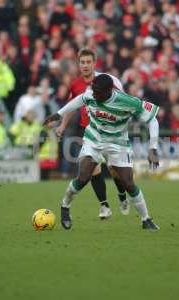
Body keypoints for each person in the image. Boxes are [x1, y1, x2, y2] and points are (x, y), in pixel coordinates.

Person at [44, 74, 160, 230]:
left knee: (129, 184)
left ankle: (146, 220)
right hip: (94, 140)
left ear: (108, 91)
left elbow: (153, 120)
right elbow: (78, 100)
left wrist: (153, 147)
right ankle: (65, 207)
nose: (94, 94)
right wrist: (58, 114)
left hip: (118, 144)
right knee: (83, 177)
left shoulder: (128, 102)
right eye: (93, 90)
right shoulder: (92, 93)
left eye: (97, 92)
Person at [56, 48, 129, 219]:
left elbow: (122, 100)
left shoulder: (105, 81)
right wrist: (62, 126)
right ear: (78, 64)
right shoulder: (75, 84)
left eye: (88, 62)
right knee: (92, 170)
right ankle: (104, 206)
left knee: (114, 169)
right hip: (89, 133)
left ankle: (122, 195)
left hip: (110, 131)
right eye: (82, 62)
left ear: (94, 63)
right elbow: (72, 106)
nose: (85, 65)